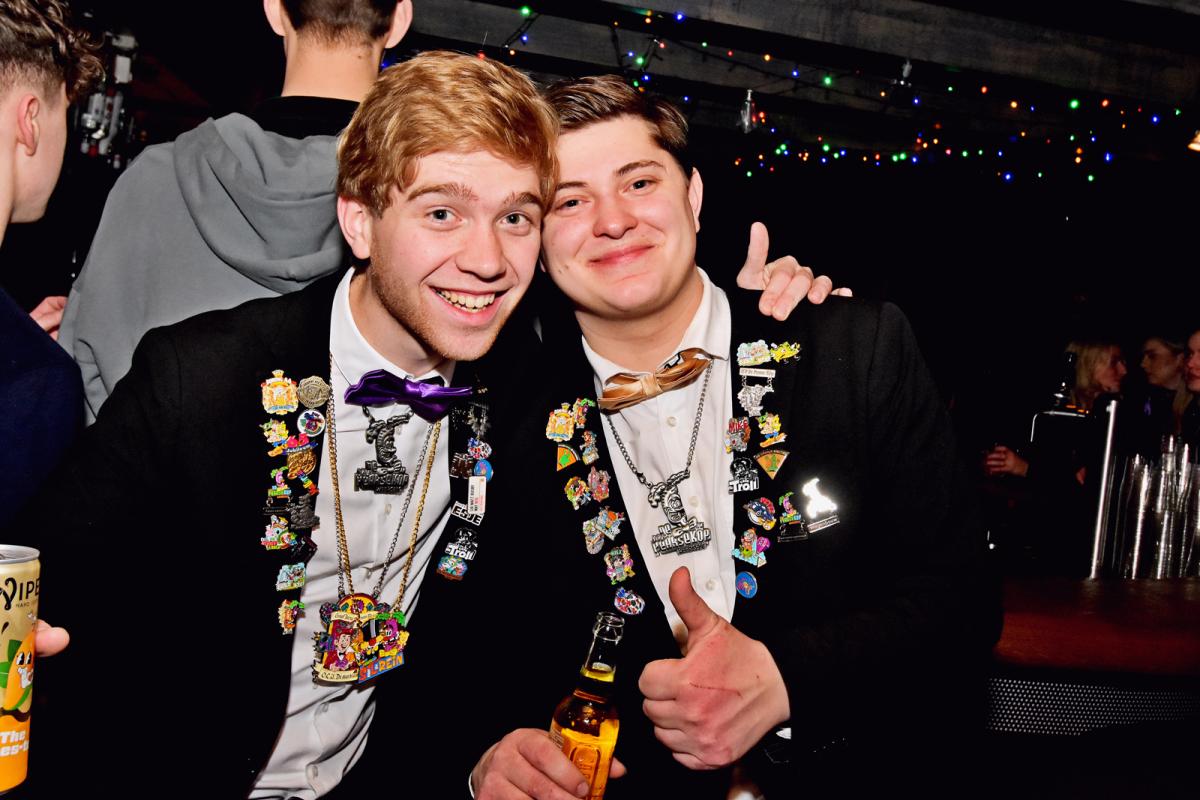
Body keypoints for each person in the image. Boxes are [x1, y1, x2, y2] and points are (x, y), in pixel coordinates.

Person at [23, 51, 826, 796]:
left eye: (517, 218)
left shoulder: (528, 397)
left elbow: (500, 643)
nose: (487, 259)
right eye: (443, 212)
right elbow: (35, 586)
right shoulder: (203, 380)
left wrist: (786, 312)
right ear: (360, 221)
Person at [468, 76, 1000, 799]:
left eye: (639, 182)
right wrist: (485, 760)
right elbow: (467, 651)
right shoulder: (500, 424)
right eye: (570, 201)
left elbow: (962, 601)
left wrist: (786, 678)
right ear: (534, 238)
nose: (613, 221)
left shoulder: (851, 347)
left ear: (692, 197)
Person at [58, 0, 413, 424]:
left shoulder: (154, 181)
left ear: (274, 10)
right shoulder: (419, 205)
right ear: (400, 20)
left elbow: (83, 372)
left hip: (155, 459)